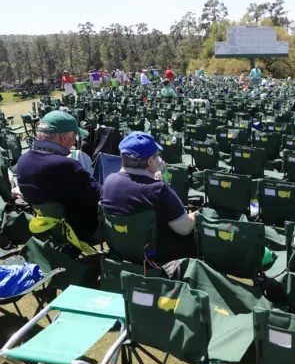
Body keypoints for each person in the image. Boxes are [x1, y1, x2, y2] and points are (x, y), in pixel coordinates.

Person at [100, 132, 196, 262]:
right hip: (156, 258)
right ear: (150, 161)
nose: (159, 159)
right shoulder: (159, 189)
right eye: (156, 156)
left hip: (121, 252)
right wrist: (197, 215)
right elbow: (184, 228)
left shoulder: (108, 182)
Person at [16, 111, 101, 242]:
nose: (75, 142)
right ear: (63, 138)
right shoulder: (66, 165)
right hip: (80, 231)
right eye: (75, 136)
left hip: (50, 229)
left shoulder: (22, 161)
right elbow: (99, 194)